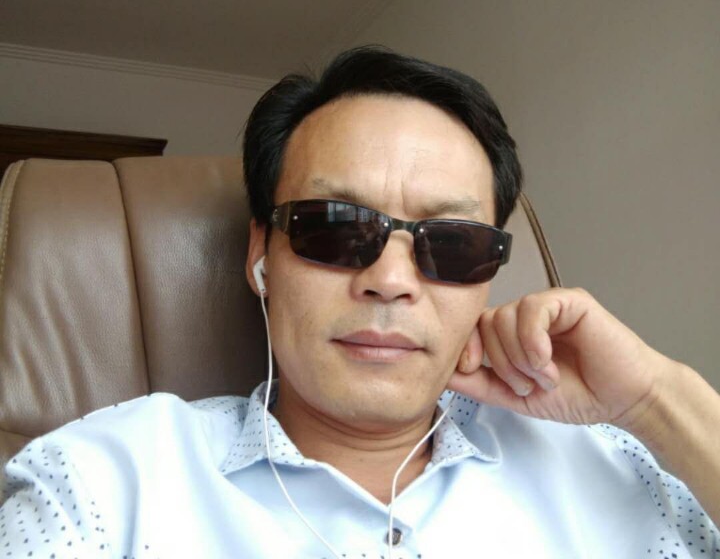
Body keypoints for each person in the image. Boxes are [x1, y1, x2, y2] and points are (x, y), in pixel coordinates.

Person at [1, 47, 718, 558]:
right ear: (261, 255)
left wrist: (658, 399)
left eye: (452, 243)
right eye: (335, 227)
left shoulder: (614, 465)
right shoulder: (105, 482)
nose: (391, 280)